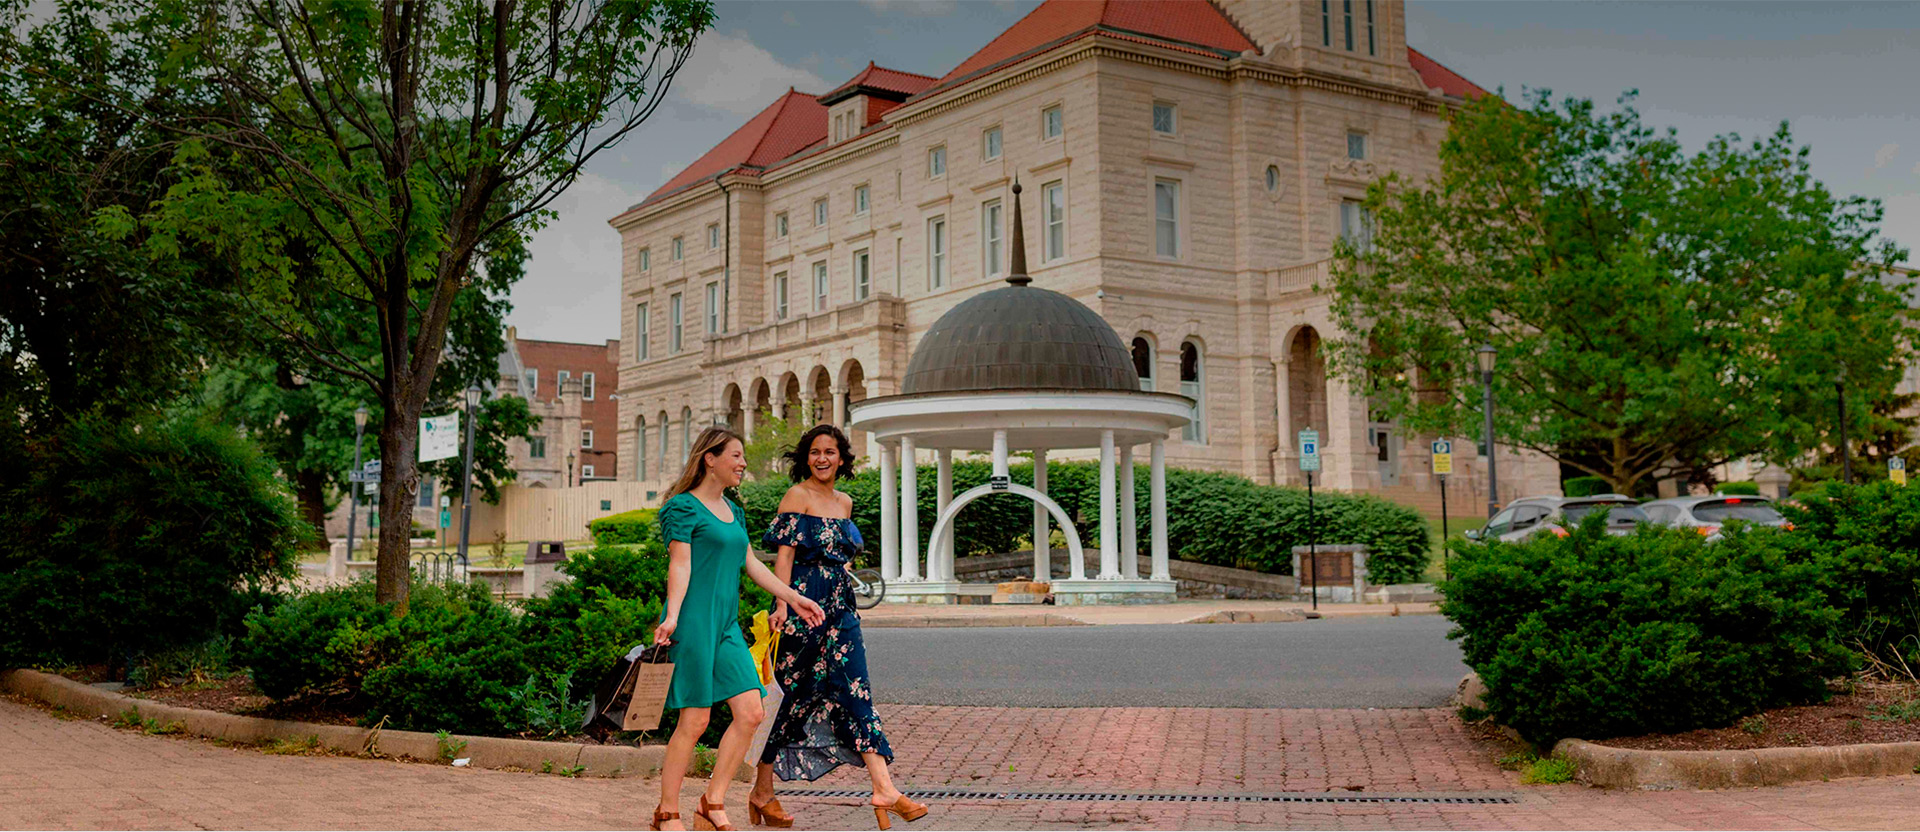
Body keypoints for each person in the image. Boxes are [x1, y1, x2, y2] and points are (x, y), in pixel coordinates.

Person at [746, 425, 929, 831]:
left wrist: (841, 574)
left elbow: (838, 555)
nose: (822, 458)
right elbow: (784, 558)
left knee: (856, 690)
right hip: (803, 604)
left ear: (842, 458)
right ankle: (762, 791)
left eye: (830, 451)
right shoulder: (798, 496)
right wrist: (782, 603)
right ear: (806, 458)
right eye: (815, 452)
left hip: (841, 609)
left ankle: (883, 787)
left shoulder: (845, 502)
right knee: (791, 698)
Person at [651, 426, 826, 832]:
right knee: (693, 722)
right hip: (693, 623)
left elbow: (751, 564)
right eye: (736, 455)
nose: (743, 463)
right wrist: (673, 615)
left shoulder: (735, 511)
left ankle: (711, 802)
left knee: (751, 712)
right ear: (709, 459)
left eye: (743, 456)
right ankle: (666, 812)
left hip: (727, 625)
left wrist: (793, 597)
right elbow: (680, 565)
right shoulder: (682, 508)